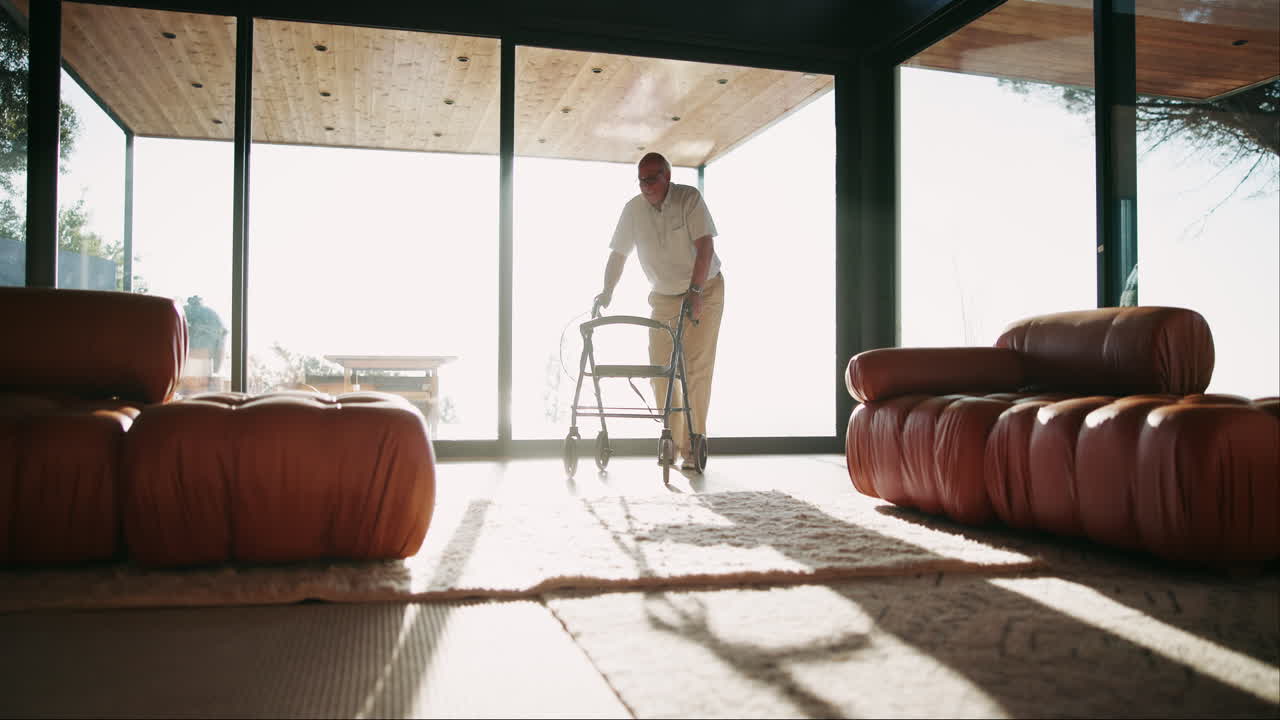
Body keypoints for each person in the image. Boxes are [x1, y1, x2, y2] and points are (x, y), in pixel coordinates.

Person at [594, 152, 725, 472]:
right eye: (641, 180)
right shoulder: (632, 210)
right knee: (660, 369)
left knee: (695, 368)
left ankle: (694, 443)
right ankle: (672, 441)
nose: (646, 185)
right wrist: (607, 291)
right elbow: (618, 255)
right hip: (664, 296)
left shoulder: (688, 199)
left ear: (667, 176)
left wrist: (695, 292)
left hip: (704, 289)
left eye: (652, 178)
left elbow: (705, 247)